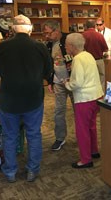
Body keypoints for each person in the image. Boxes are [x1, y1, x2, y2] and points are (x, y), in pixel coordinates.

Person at [0, 15, 53, 183]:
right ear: (30, 29)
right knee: (33, 134)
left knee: (9, 135)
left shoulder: (3, 46)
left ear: (12, 29)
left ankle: (10, 171)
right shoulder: (39, 46)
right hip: (33, 98)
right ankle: (32, 170)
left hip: (9, 99)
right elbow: (48, 71)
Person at [64, 33, 104, 168]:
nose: (65, 47)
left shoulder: (77, 59)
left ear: (71, 46)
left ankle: (85, 159)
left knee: (82, 130)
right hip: (96, 95)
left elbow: (77, 83)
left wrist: (67, 84)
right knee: (91, 126)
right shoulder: (88, 55)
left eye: (66, 45)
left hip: (84, 99)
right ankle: (94, 151)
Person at [43, 20, 73, 151]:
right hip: (58, 82)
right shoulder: (48, 45)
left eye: (48, 33)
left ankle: (84, 138)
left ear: (56, 31)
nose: (46, 36)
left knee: (78, 110)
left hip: (73, 82)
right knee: (58, 111)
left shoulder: (69, 39)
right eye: (45, 33)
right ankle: (60, 138)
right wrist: (50, 81)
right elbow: (49, 64)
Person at [82, 19, 108, 91]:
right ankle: (100, 96)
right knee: (101, 78)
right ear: (95, 26)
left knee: (88, 79)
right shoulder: (99, 35)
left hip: (87, 61)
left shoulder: (83, 35)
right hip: (99, 60)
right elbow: (105, 48)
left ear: (86, 26)